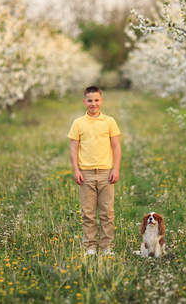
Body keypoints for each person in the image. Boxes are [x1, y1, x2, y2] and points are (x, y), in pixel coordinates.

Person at [67, 86, 121, 256]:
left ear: (101, 101)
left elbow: (116, 146)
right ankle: (91, 245)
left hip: (106, 173)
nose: (93, 103)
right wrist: (76, 170)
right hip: (86, 173)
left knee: (107, 213)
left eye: (96, 100)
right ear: (84, 102)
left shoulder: (109, 122)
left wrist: (116, 169)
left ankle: (107, 246)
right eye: (90, 100)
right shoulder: (78, 123)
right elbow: (73, 148)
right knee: (88, 212)